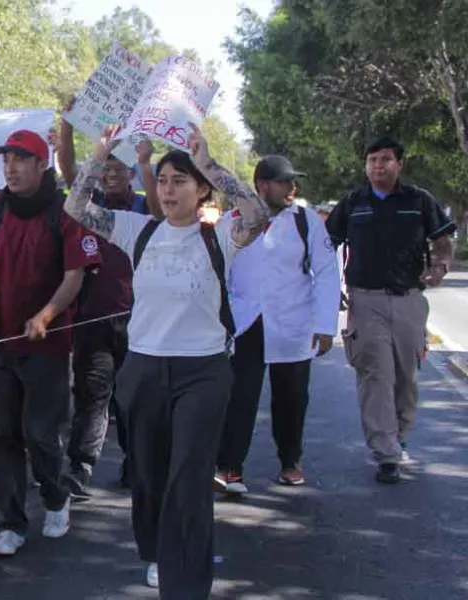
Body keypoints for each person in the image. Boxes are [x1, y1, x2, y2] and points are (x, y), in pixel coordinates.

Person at [64, 124, 269, 596]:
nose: (170, 188)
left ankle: (188, 581)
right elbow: (75, 208)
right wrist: (96, 156)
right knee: (150, 476)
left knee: (189, 479)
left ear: (201, 190)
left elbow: (257, 212)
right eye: (163, 180)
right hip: (144, 368)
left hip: (203, 371)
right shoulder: (139, 229)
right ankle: (157, 552)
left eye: (181, 179)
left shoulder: (221, 238)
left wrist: (211, 161)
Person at [0, 129, 101, 558]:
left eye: (20, 159)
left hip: (47, 346)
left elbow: (76, 275)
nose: (10, 167)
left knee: (40, 433)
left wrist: (46, 316)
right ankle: (11, 522)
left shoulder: (65, 211)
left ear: (41, 164)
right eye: (5, 159)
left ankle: (55, 496)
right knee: (0, 434)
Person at [325, 135, 456, 484]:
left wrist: (440, 267)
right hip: (365, 301)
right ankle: (386, 452)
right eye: (372, 160)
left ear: (399, 164)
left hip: (410, 301)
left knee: (405, 377)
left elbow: (443, 242)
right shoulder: (353, 203)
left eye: (384, 160)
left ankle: (398, 435)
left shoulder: (419, 201)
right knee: (375, 374)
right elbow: (325, 245)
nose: (377, 166)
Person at [215, 155, 341, 493]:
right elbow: (216, 273)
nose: (292, 188)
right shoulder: (232, 221)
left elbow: (328, 273)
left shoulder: (306, 221)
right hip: (246, 323)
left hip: (293, 322)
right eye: (284, 181)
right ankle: (229, 468)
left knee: (292, 398)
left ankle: (290, 462)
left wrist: (326, 325)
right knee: (239, 397)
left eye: (292, 181)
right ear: (263, 186)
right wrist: (219, 320)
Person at [56, 101, 150, 496]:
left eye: (119, 170)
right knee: (92, 394)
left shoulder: (146, 208)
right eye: (106, 169)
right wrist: (66, 125)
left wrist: (147, 160)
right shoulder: (89, 209)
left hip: (140, 320)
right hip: (92, 318)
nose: (111, 175)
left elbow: (163, 214)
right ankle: (80, 466)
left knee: (132, 398)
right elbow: (68, 169)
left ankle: (136, 461)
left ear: (131, 175)